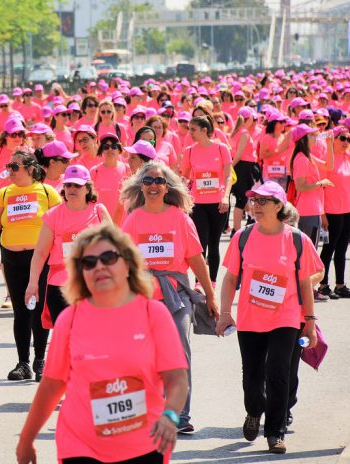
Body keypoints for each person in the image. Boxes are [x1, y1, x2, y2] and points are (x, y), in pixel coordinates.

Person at [16, 223, 189, 464]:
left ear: (127, 264)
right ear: (81, 273)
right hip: (80, 445)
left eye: (108, 257)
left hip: (145, 444)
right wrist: (26, 439)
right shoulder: (70, 319)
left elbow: (176, 378)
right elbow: (52, 386)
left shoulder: (153, 314)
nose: (99, 266)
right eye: (89, 262)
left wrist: (170, 416)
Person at [216, 181, 321, 455]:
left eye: (264, 201)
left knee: (278, 371)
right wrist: (225, 313)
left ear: (279, 206)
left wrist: (309, 322)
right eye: (254, 200)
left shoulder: (297, 239)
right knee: (252, 375)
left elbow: (306, 283)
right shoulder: (243, 237)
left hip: (285, 318)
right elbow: (230, 279)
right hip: (250, 318)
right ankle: (254, 411)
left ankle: (275, 432)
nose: (256, 205)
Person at [121, 161, 218, 434]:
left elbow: (196, 258)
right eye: (148, 181)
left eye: (159, 181)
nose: (153, 186)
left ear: (167, 187)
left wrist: (209, 294)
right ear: (141, 186)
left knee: (179, 353)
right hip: (142, 300)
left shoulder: (180, 218)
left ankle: (180, 415)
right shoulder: (133, 219)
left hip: (176, 296)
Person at [0, 151, 61, 381]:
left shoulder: (47, 192)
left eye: (15, 166)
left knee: (38, 310)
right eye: (9, 166)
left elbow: (61, 222)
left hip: (40, 259)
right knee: (20, 310)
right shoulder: (3, 193)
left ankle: (40, 361)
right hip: (12, 258)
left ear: (30, 168)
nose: (10, 170)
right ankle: (23, 363)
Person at [25, 164, 110, 329]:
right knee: (66, 339)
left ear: (87, 188)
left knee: (94, 335)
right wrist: (33, 283)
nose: (72, 189)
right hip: (61, 287)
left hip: (95, 284)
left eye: (77, 185)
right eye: (68, 184)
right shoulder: (53, 216)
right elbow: (40, 253)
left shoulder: (99, 211)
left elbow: (115, 248)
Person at [317, 127, 350, 299]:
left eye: (348, 139)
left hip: (349, 208)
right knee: (329, 248)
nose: (345, 142)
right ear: (332, 139)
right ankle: (323, 285)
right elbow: (320, 188)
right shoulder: (327, 160)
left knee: (342, 248)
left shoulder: (349, 156)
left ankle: (340, 285)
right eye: (342, 138)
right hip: (332, 210)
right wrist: (322, 214)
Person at [182, 115, 233, 286]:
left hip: (218, 202)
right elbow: (186, 176)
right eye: (189, 129)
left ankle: (212, 281)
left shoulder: (221, 148)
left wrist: (225, 196)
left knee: (214, 243)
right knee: (200, 244)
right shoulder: (189, 151)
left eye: (193, 129)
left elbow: (227, 177)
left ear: (205, 130)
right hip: (198, 204)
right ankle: (199, 282)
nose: (190, 133)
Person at [229, 106, 260, 234]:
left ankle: (239, 227)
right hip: (243, 167)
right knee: (241, 200)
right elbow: (239, 154)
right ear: (249, 118)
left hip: (243, 166)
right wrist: (231, 167)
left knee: (242, 199)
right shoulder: (244, 133)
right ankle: (236, 229)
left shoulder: (238, 132)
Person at [90, 134, 131, 220]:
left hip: (122, 221)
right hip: (100, 221)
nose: (110, 149)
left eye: (113, 146)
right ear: (102, 150)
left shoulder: (127, 169)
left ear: (119, 150)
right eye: (106, 147)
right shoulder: (94, 171)